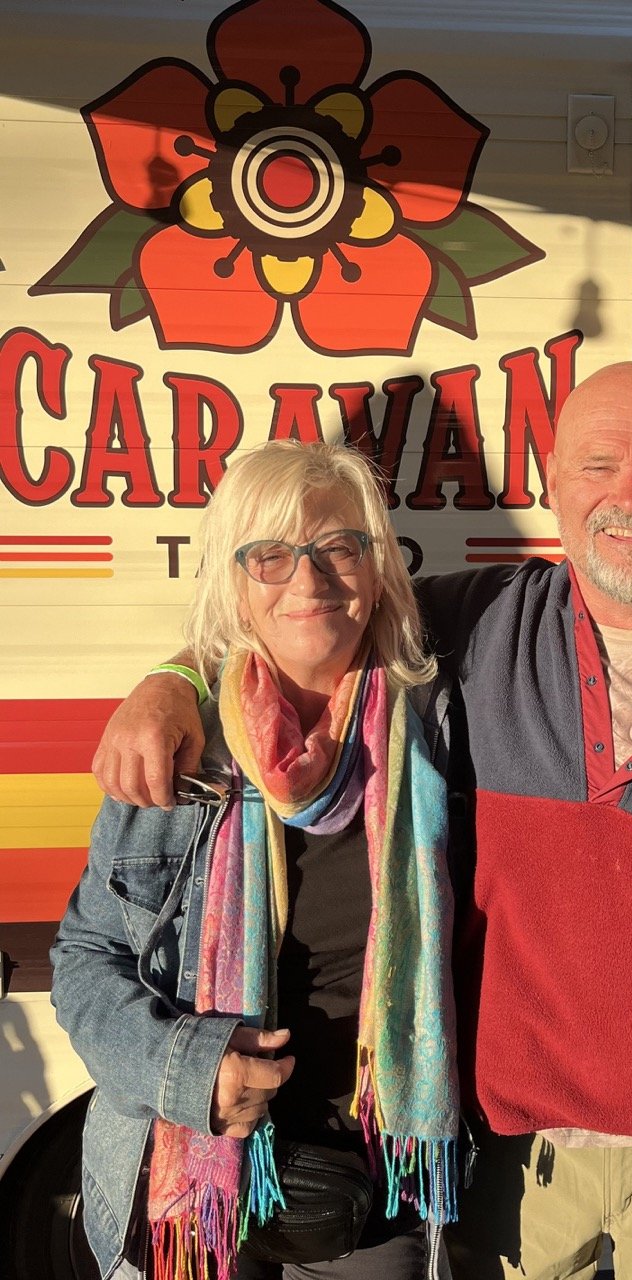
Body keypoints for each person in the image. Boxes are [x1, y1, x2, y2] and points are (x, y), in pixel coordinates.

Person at [91, 364, 632, 1280]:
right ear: (550, 485)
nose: (630, 495)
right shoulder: (483, 622)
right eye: (598, 465)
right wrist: (174, 683)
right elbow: (298, 616)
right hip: (516, 1175)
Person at [52, 441, 459, 1280]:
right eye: (269, 556)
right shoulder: (179, 750)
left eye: (337, 548)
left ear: (376, 568)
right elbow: (85, 963)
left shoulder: (440, 732)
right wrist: (193, 1071)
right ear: (234, 584)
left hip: (369, 1186)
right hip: (189, 1172)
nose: (307, 582)